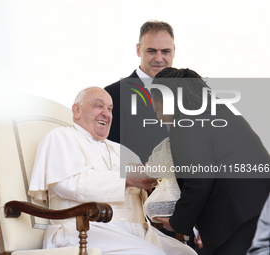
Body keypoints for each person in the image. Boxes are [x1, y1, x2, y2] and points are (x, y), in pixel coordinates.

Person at [28, 87, 196, 255]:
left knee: (188, 253)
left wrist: (154, 181)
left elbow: (145, 196)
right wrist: (126, 179)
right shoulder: (61, 137)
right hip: (84, 230)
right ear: (77, 110)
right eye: (99, 106)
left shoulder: (122, 150)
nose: (106, 114)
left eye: (109, 109)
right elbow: (67, 184)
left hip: (137, 232)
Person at [149, 67, 270, 255]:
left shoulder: (185, 124)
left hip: (239, 219)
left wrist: (177, 222)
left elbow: (199, 181)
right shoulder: (223, 113)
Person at [104, 20, 175, 164]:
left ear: (174, 50)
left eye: (165, 51)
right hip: (140, 184)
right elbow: (109, 153)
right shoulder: (112, 95)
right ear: (138, 50)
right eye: (151, 51)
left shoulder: (189, 91)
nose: (159, 58)